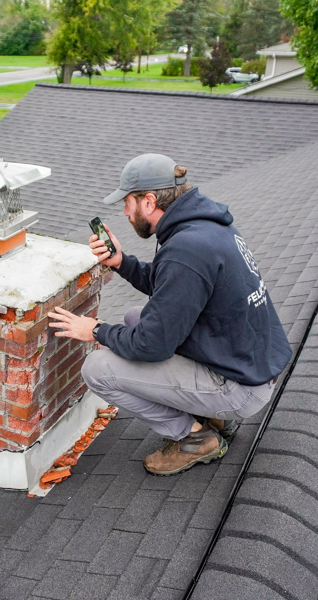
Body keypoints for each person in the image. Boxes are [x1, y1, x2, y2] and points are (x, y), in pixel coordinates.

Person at [48, 153, 292, 476]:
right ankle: (214, 416)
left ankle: (195, 437)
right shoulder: (201, 225)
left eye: (128, 203)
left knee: (96, 368)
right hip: (246, 361)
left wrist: (95, 330)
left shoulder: (187, 249)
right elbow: (169, 284)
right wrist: (122, 262)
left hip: (241, 386)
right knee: (137, 316)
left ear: (149, 201)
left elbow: (152, 345)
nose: (124, 211)